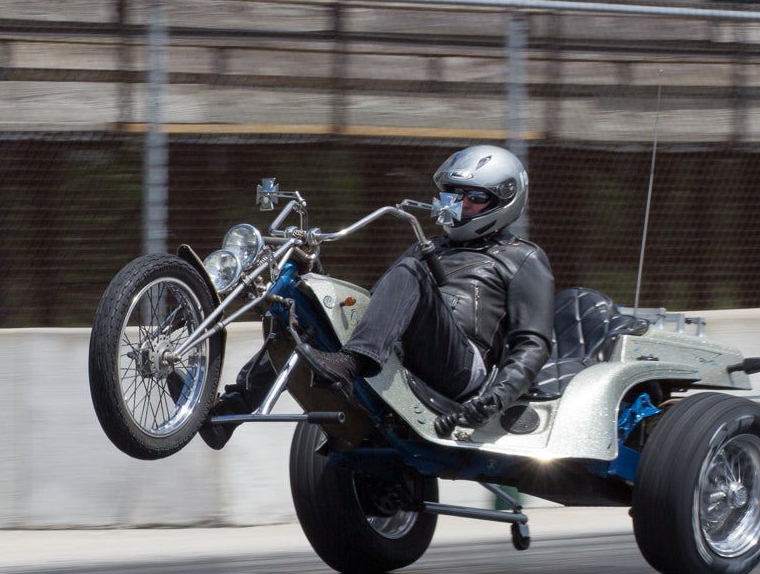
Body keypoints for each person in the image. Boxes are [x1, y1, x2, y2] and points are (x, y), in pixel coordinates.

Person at [200, 144, 554, 449]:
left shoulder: (522, 257)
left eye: (474, 198)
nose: (459, 206)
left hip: (463, 369)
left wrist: (496, 398)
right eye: (453, 195)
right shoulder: (428, 248)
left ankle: (350, 366)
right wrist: (316, 284)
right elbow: (374, 308)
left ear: (504, 201)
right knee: (300, 309)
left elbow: (532, 343)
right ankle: (227, 413)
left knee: (409, 272)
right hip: (402, 355)